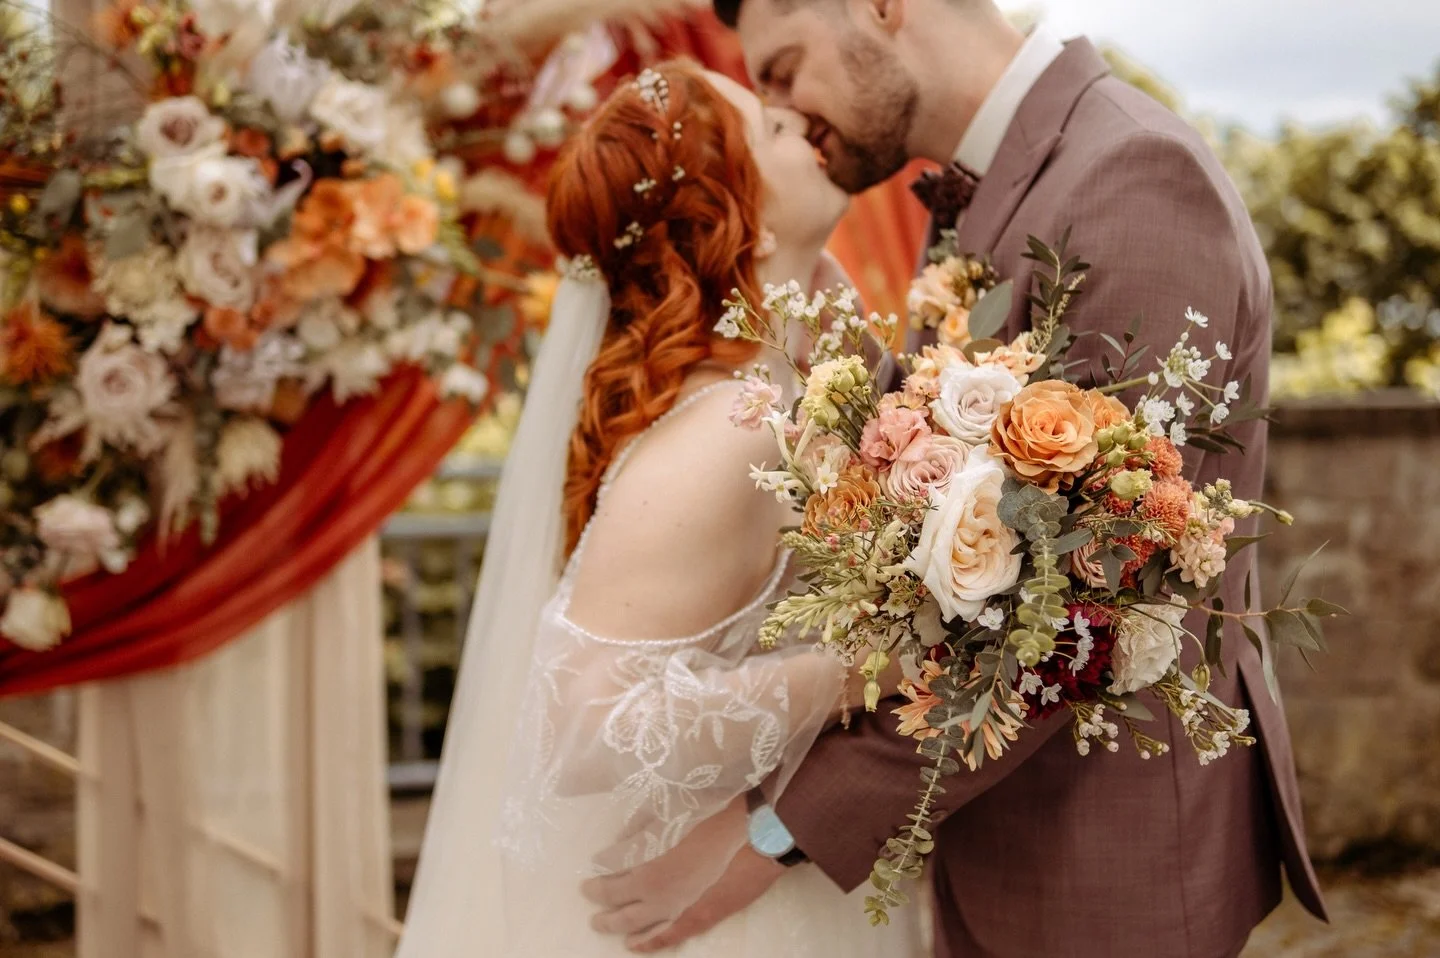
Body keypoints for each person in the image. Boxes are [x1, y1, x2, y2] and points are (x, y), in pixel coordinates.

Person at [582, 2, 1330, 956]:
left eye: (782, 70)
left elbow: (1086, 610)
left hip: (1100, 871)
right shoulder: (989, 195)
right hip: (983, 844)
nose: (786, 110)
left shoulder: (1132, 178)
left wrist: (770, 832)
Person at [393, 61, 924, 956]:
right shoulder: (726, 432)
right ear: (729, 214)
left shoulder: (806, 355)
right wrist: (852, 670)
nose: (803, 122)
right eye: (775, 130)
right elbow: (582, 728)